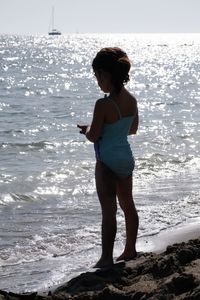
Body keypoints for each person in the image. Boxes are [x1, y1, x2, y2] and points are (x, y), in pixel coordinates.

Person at [78, 47, 139, 268]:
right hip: (125, 159)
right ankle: (130, 249)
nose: (97, 82)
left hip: (107, 163)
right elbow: (132, 129)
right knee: (128, 205)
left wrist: (86, 130)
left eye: (97, 76)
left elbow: (94, 136)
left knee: (109, 211)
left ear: (105, 75)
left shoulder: (102, 104)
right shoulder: (131, 101)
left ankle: (105, 258)